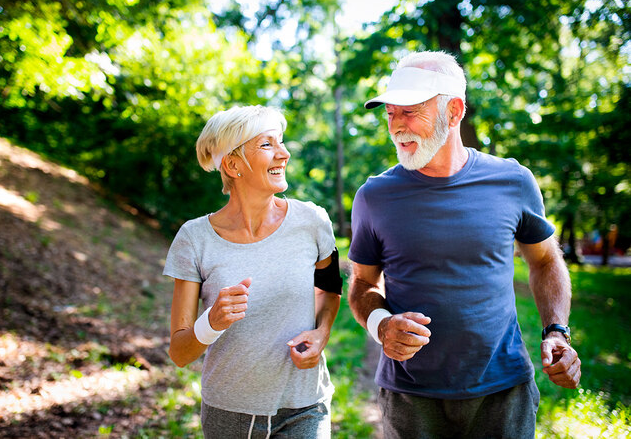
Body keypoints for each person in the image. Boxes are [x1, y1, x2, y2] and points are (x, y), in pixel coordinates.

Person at [347, 51, 581, 438]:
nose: (396, 126)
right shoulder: (374, 196)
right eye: (390, 113)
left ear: (454, 111)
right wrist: (380, 323)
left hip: (503, 392)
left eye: (409, 112)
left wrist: (556, 331)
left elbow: (545, 262)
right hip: (410, 398)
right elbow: (362, 284)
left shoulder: (513, 181)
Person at [164, 105, 342, 438]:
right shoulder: (194, 238)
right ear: (232, 165)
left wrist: (322, 334)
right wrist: (212, 321)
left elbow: (331, 291)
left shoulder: (313, 222)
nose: (284, 153)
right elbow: (179, 352)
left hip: (306, 405)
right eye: (267, 145)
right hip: (229, 412)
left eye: (282, 142)